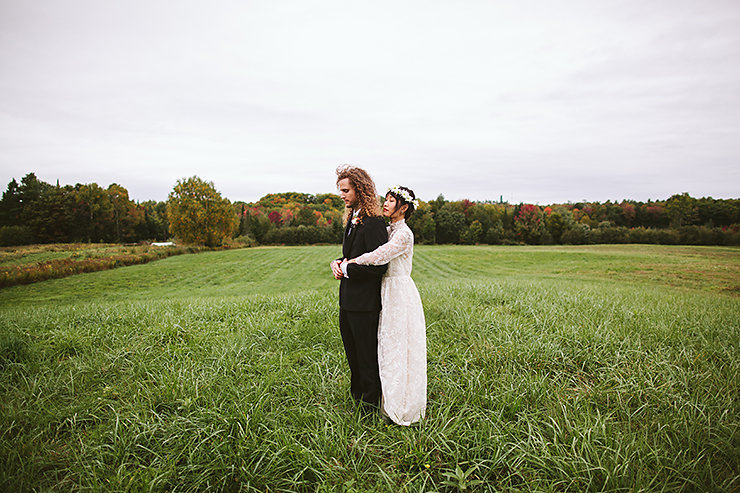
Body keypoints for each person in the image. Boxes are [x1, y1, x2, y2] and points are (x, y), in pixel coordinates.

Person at [344, 186, 426, 426]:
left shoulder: (404, 235)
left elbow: (379, 255)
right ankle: (383, 399)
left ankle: (400, 405)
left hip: (399, 293)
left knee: (398, 347)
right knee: (384, 348)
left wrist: (350, 263)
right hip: (384, 291)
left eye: (391, 201)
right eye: (386, 199)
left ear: (404, 207)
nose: (386, 203)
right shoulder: (388, 228)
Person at [330, 165, 388, 411]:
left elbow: (379, 265)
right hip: (348, 300)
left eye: (346, 190)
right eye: (340, 191)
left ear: (360, 189)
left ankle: (370, 407)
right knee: (352, 354)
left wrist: (348, 270)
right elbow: (354, 255)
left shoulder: (374, 223)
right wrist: (338, 262)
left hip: (365, 304)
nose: (342, 195)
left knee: (366, 356)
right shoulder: (353, 219)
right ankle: (357, 399)